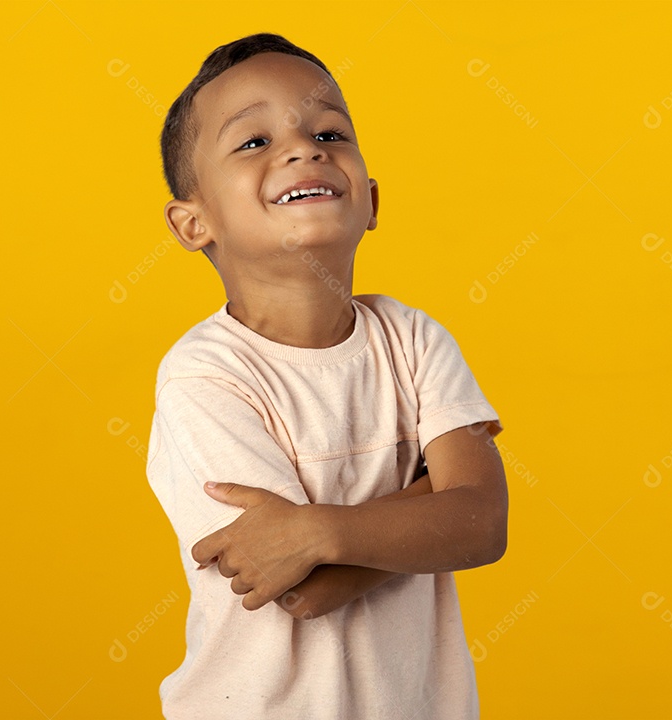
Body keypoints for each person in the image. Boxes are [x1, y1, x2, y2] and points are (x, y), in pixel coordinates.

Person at [146, 32, 507, 719]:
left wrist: (315, 531)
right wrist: (431, 504)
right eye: (251, 142)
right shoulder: (204, 377)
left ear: (371, 200)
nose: (305, 148)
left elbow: (483, 523)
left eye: (330, 132)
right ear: (194, 223)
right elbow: (301, 589)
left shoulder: (414, 339)